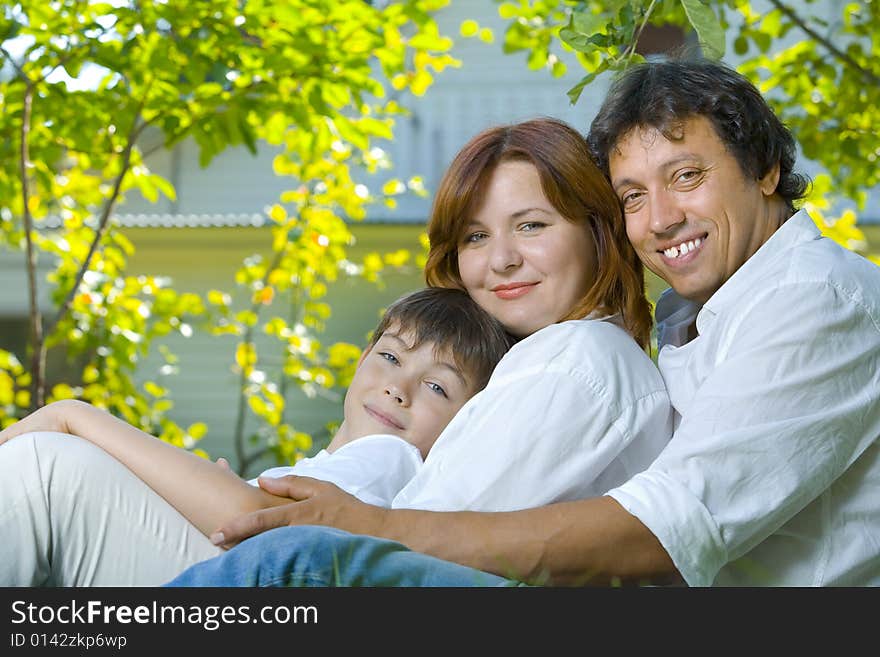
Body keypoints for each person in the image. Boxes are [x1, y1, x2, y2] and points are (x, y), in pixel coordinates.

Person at [168, 57, 880, 588]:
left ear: (763, 170)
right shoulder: (695, 316)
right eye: (634, 193)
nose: (660, 218)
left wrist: (368, 526)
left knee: (290, 559)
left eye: (686, 176)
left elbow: (670, 522)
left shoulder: (818, 296)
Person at [0, 286, 513, 585]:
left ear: (464, 421)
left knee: (49, 468)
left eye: (436, 387)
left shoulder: (391, 458)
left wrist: (76, 415)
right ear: (362, 359)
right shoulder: (335, 466)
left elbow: (260, 530)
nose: (398, 388)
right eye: (390, 356)